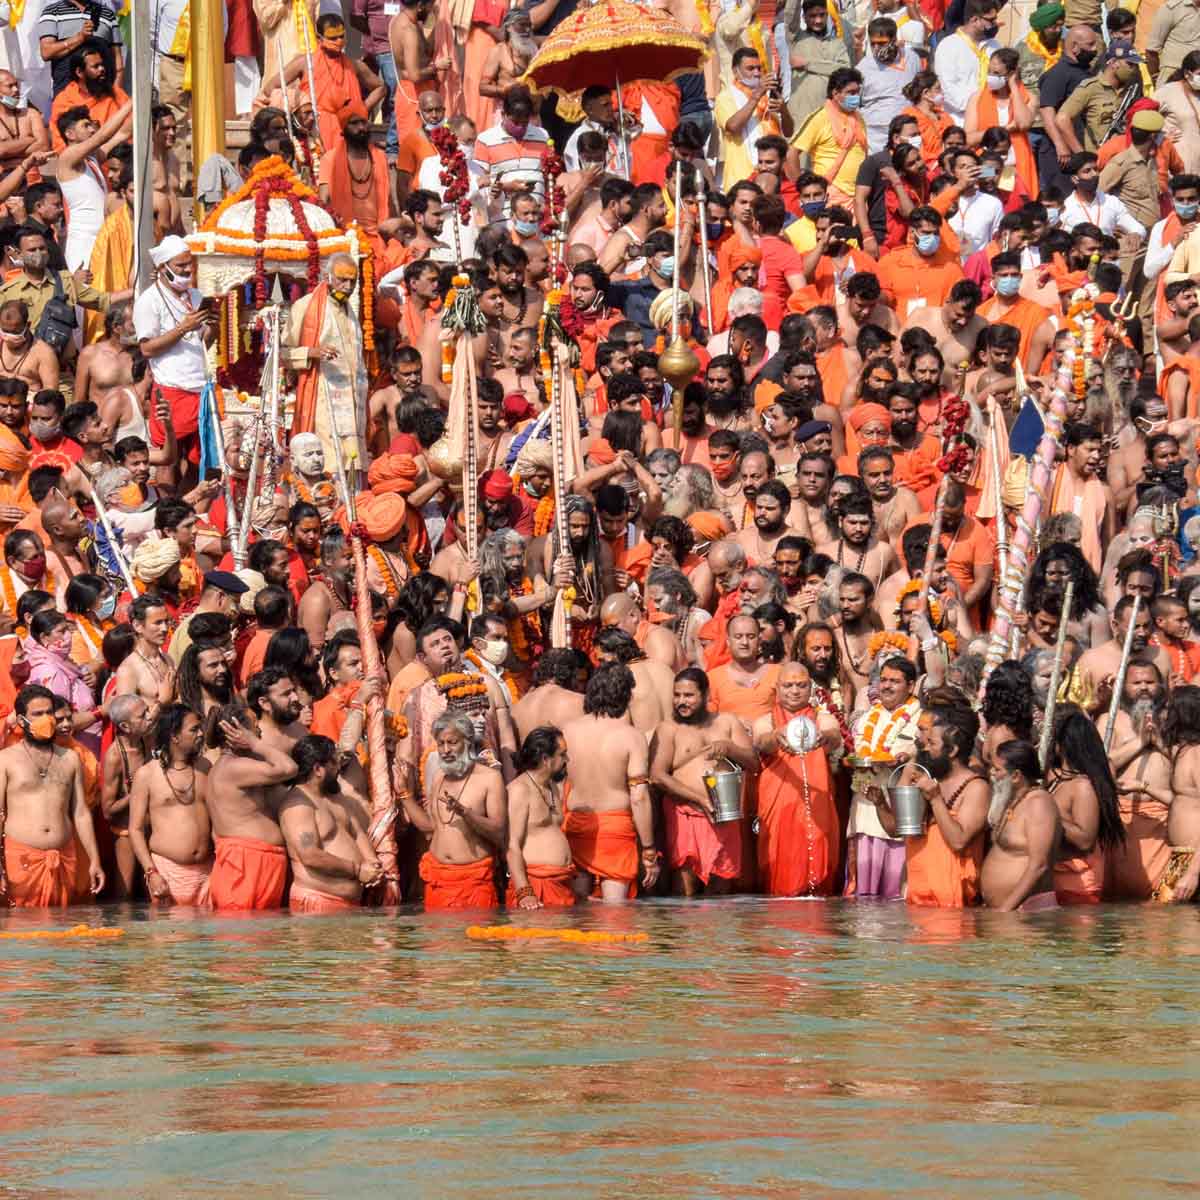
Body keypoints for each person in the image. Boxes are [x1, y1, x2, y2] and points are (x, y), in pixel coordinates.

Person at [650, 667, 758, 896]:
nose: (681, 701)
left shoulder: (727, 723)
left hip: (724, 815)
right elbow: (658, 775)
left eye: (688, 696)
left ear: (706, 695)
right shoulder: (668, 729)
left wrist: (730, 748)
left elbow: (754, 763)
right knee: (684, 889)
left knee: (721, 890)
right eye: (677, 695)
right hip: (684, 814)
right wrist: (699, 799)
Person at [0, 684, 104, 905]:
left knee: (61, 931)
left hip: (65, 857)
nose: (46, 719)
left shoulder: (70, 758)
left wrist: (95, 860)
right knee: (24, 932)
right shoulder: (6, 760)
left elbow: (81, 813)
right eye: (37, 714)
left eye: (49, 712)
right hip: (21, 860)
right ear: (21, 721)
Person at [561, 665, 658, 901]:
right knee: (615, 918)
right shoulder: (631, 736)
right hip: (614, 830)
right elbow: (639, 796)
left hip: (574, 823)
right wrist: (649, 850)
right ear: (627, 696)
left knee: (579, 915)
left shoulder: (567, 730)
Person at [750, 661, 840, 895]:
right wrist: (777, 735)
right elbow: (762, 742)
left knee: (819, 847)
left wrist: (822, 737)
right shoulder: (766, 720)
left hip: (815, 805)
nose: (795, 690)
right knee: (777, 854)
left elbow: (834, 736)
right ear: (777, 689)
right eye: (788, 685)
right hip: (778, 805)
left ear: (810, 688)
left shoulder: (821, 718)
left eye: (801, 685)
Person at [400, 711, 506, 910]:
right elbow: (430, 827)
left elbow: (499, 832)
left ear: (467, 742)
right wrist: (404, 794)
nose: (445, 750)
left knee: (475, 942)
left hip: (473, 882)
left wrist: (466, 813)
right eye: (441, 744)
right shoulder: (440, 776)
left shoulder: (490, 778)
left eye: (452, 742)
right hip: (438, 880)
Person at [889, 701, 989, 907]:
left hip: (955, 907)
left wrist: (935, 799)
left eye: (932, 743)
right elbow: (897, 829)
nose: (924, 747)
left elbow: (959, 841)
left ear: (952, 751)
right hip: (917, 900)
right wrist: (881, 803)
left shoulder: (976, 788)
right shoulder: (929, 779)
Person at [205, 702, 298, 911]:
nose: (259, 731)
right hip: (245, 864)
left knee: (260, 939)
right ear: (238, 732)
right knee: (243, 938)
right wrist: (256, 744)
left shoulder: (231, 766)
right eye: (254, 727)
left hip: (253, 861)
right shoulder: (233, 767)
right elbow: (289, 768)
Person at [279, 735, 383, 913]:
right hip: (317, 903)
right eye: (334, 763)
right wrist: (357, 870)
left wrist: (372, 863)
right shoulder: (297, 806)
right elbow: (310, 855)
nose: (339, 768)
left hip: (349, 906)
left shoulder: (337, 798)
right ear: (318, 769)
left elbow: (357, 832)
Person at [127, 704, 214, 907]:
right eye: (194, 729)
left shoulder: (206, 767)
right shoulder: (147, 774)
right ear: (174, 736)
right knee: (169, 938)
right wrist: (151, 872)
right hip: (166, 873)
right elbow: (135, 829)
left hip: (208, 872)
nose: (201, 733)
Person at [980, 739, 1062, 911]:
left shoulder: (1038, 802)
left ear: (1016, 776)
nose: (991, 774)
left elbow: (1039, 865)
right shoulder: (1012, 800)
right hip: (1007, 915)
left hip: (1026, 914)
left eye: (997, 770)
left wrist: (1005, 910)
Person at [504, 726, 577, 908]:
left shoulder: (551, 785)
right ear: (545, 759)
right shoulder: (519, 790)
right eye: (562, 754)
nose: (567, 759)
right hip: (535, 887)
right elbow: (511, 845)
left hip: (561, 883)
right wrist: (524, 892)